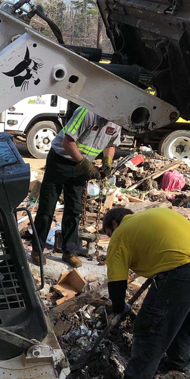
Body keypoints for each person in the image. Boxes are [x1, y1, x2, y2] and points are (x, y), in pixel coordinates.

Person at [103, 206, 190, 379]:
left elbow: (117, 282)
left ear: (114, 224)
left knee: (152, 325)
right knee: (189, 319)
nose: (111, 237)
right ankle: (180, 363)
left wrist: (119, 308)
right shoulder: (154, 214)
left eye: (109, 233)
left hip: (185, 270)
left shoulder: (120, 235)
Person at [32, 107, 121, 268]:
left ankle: (69, 251)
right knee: (47, 206)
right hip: (60, 160)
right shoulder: (87, 113)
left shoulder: (117, 122)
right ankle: (37, 250)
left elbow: (111, 144)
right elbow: (68, 142)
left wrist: (107, 161)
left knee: (74, 209)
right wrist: (85, 164)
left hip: (81, 166)